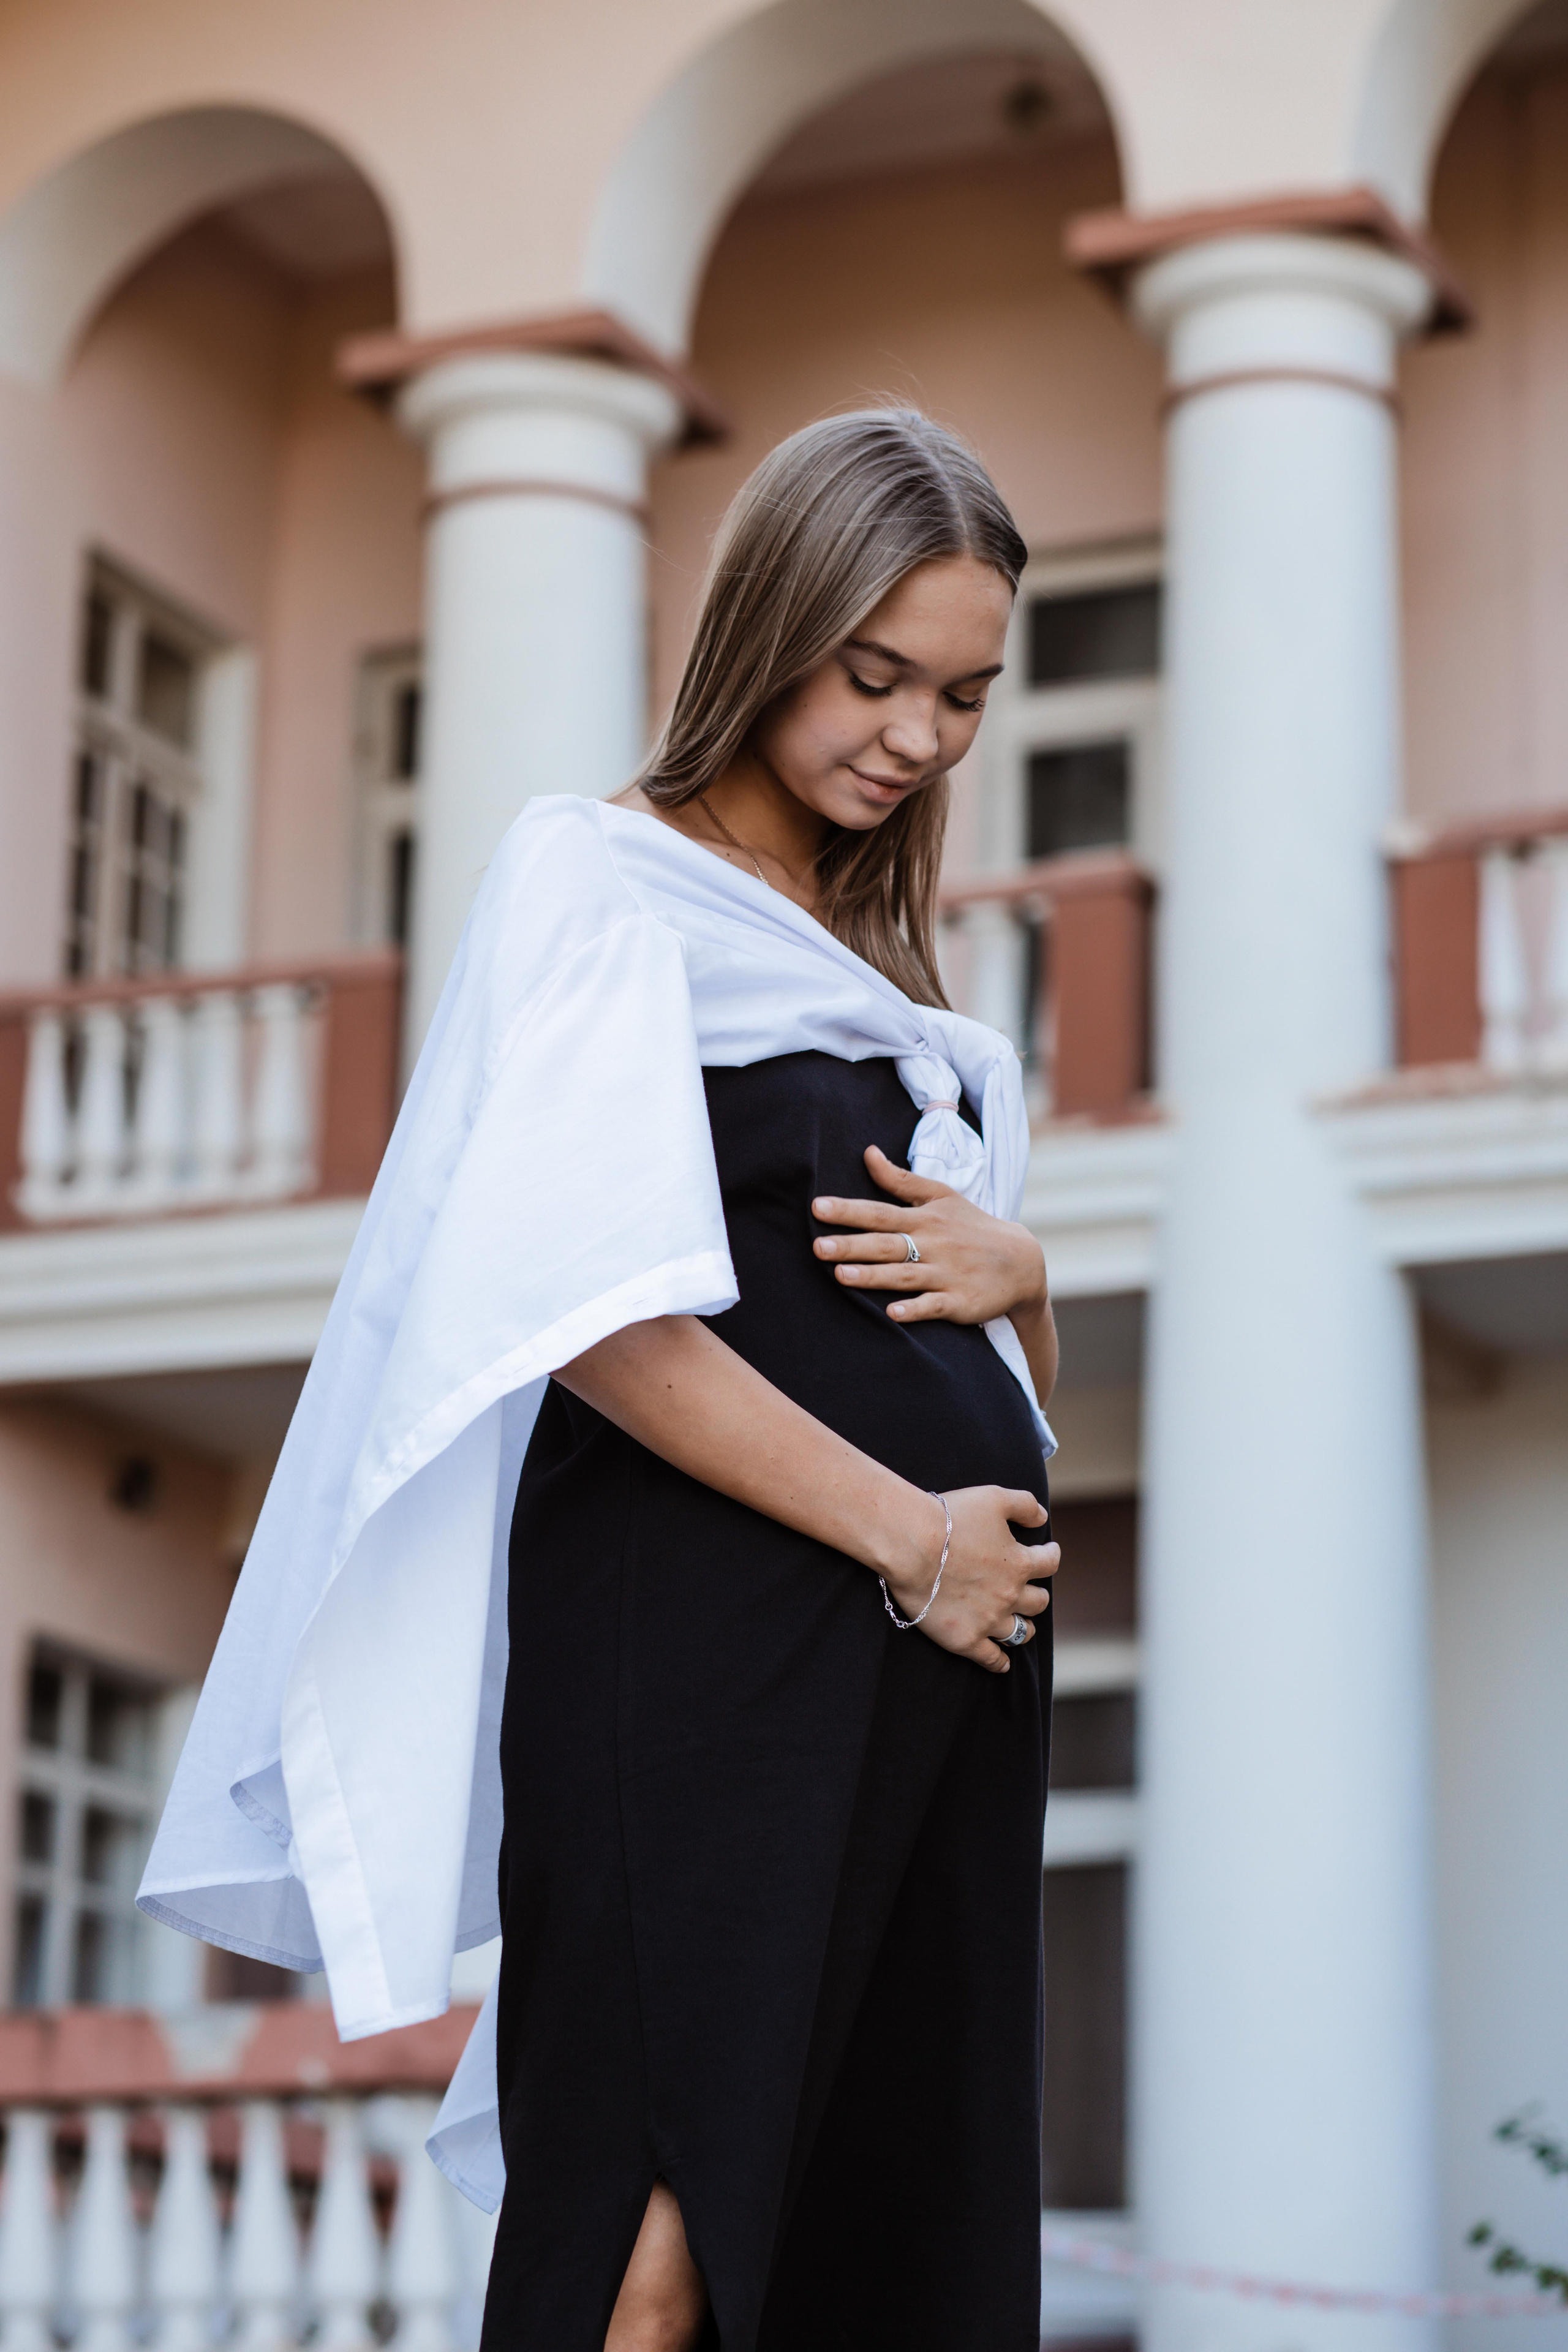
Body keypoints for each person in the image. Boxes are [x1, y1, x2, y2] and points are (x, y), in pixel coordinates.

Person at [138, 409, 1060, 2352]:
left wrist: (1024, 1279)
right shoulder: (601, 880)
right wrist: (913, 1536)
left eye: (966, 698)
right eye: (873, 674)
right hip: (707, 1645)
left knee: (878, 2194)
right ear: (768, 628)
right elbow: (589, 1320)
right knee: (655, 2220)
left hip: (928, 1653)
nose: (914, 737)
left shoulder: (882, 988)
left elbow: (1002, 1392)